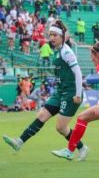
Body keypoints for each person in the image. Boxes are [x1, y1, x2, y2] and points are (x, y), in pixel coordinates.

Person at [3, 20, 89, 161]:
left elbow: (78, 73)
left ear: (62, 36)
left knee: (61, 127)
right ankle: (19, 142)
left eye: (55, 35)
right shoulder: (56, 52)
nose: (52, 38)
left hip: (71, 93)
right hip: (60, 92)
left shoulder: (66, 52)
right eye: (50, 35)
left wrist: (78, 94)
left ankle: (81, 147)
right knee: (42, 114)